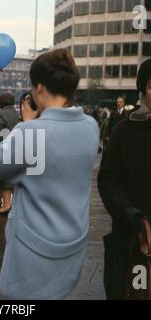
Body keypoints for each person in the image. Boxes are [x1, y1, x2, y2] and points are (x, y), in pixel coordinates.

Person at [0, 49, 100, 300]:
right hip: (72, 245)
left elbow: (0, 165)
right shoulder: (90, 126)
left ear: (38, 87)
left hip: (36, 253)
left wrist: (27, 123)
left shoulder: (31, 133)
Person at [98, 58, 151, 300]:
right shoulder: (125, 131)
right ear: (143, 90)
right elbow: (108, 180)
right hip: (131, 239)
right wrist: (128, 212)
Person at [0, 93, 20, 216]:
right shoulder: (18, 113)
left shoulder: (0, 115)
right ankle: (11, 204)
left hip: (5, 149)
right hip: (19, 149)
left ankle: (6, 205)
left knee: (4, 179)